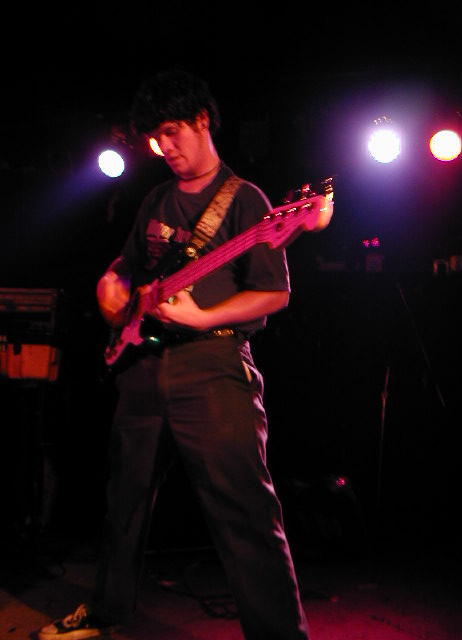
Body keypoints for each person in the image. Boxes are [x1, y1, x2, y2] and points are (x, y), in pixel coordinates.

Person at [38, 69, 333, 640]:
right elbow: (127, 267)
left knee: (245, 509)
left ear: (202, 120)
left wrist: (201, 316)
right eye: (155, 138)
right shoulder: (156, 198)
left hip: (213, 366)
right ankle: (107, 611)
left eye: (171, 132)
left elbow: (274, 294)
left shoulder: (246, 200)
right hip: (144, 365)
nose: (164, 147)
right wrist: (111, 286)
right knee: (123, 501)